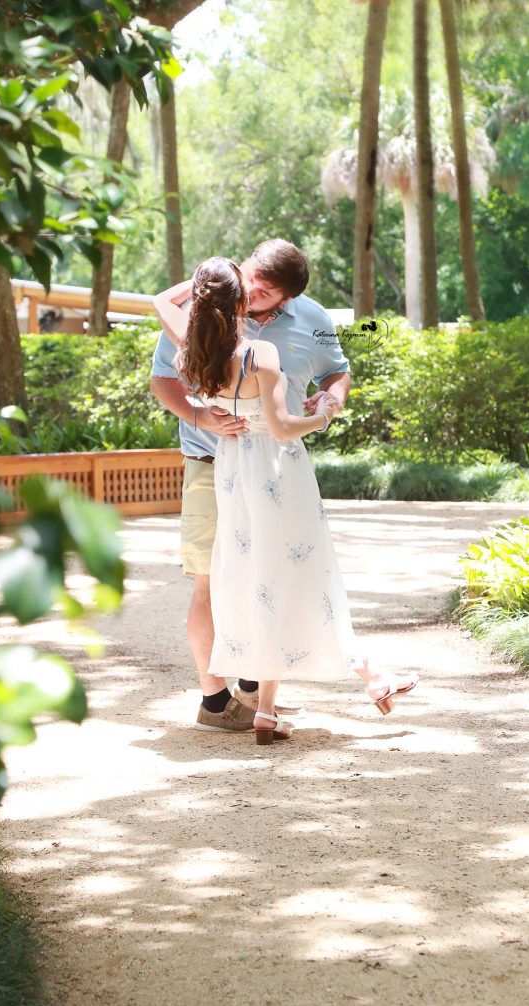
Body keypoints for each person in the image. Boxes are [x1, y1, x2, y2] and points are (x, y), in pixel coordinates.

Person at [154, 254, 418, 744]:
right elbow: (279, 427)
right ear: (236, 298)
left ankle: (269, 703)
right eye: (246, 286)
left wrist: (207, 284)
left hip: (235, 473)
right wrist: (321, 421)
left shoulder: (194, 343)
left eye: (264, 290)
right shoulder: (258, 354)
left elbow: (158, 302)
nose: (254, 294)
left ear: (287, 297)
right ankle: (252, 699)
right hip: (267, 470)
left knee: (254, 579)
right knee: (288, 575)